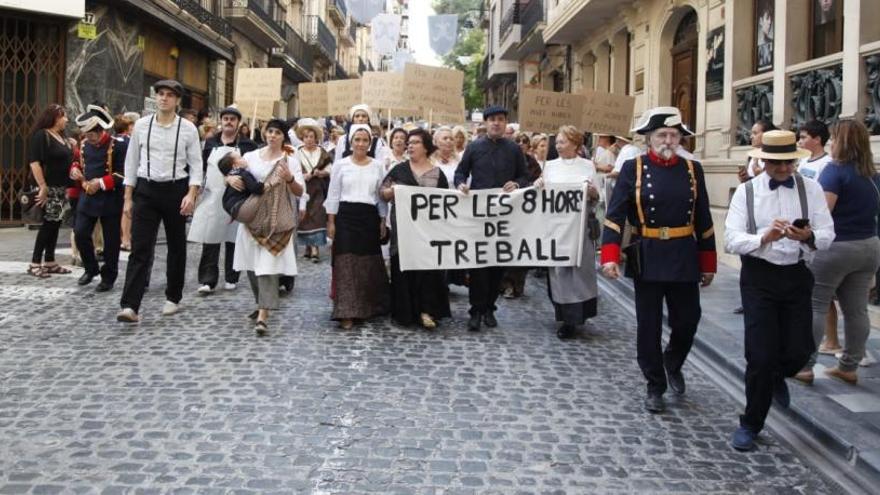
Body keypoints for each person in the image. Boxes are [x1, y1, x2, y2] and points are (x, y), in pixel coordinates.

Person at [601, 107, 717, 413]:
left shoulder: (693, 170)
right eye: (662, 135)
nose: (668, 140)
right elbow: (614, 217)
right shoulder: (633, 168)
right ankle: (654, 384)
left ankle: (673, 361)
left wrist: (708, 263)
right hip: (648, 253)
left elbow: (704, 218)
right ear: (649, 139)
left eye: (674, 135)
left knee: (688, 320)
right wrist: (610, 256)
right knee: (648, 325)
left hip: (683, 254)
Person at [724, 130, 834, 451]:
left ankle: (775, 376)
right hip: (759, 278)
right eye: (777, 164)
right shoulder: (746, 192)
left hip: (797, 275)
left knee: (801, 350)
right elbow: (731, 239)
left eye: (789, 163)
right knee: (759, 354)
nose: (785, 169)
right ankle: (751, 424)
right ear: (764, 161)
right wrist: (763, 238)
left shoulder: (811, 189)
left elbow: (828, 233)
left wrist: (808, 236)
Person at [796, 120, 880, 386]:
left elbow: (824, 212)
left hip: (837, 246)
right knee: (856, 310)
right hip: (868, 246)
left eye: (833, 138)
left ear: (840, 141)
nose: (830, 142)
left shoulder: (834, 171)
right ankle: (848, 366)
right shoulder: (873, 175)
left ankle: (806, 366)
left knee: (816, 304)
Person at [117, 80, 203, 323]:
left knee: (176, 246)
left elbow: (197, 165)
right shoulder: (142, 126)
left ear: (177, 100)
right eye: (160, 94)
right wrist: (127, 199)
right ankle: (130, 305)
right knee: (141, 248)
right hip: (146, 189)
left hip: (176, 190)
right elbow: (131, 163)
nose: (164, 98)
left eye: (169, 95)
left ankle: (173, 296)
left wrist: (191, 194)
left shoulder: (188, 129)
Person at [454, 106, 531, 331]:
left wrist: (516, 184)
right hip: (479, 216)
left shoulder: (514, 149)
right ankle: (475, 311)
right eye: (492, 120)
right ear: (486, 123)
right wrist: (461, 184)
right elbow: (461, 172)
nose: (496, 123)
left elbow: (524, 176)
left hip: (505, 217)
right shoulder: (474, 147)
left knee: (498, 265)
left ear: (506, 122)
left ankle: (489, 308)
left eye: (500, 119)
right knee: (478, 266)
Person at [229, 119, 305, 334]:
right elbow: (235, 173)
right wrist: (229, 179)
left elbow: (300, 192)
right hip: (252, 216)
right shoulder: (250, 157)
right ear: (264, 133)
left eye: (277, 133)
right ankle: (260, 302)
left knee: (268, 267)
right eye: (269, 131)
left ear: (283, 137)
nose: (272, 135)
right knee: (252, 265)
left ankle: (264, 313)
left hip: (276, 217)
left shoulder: (290, 160)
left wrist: (290, 179)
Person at [380, 128, 451, 329]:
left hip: (428, 232)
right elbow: (382, 192)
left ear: (426, 147)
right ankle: (404, 311)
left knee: (427, 270)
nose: (410, 145)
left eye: (416, 142)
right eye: (409, 143)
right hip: (403, 231)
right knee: (403, 267)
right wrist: (390, 191)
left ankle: (426, 310)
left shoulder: (438, 174)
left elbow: (447, 203)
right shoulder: (399, 170)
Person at [534, 126, 600, 338]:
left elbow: (597, 196)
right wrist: (538, 184)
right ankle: (566, 319)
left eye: (562, 142)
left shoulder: (587, 165)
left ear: (574, 143)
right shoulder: (550, 166)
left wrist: (591, 192)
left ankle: (580, 315)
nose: (558, 146)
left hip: (580, 229)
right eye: (557, 142)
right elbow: (542, 195)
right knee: (560, 272)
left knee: (580, 271)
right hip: (557, 228)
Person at [325, 124, 390, 329]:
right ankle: (346, 310)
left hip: (369, 218)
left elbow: (381, 197)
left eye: (365, 140)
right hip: (345, 217)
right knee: (346, 263)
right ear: (351, 142)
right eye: (357, 140)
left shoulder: (378, 166)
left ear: (370, 144)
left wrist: (382, 221)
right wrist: (331, 221)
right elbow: (333, 194)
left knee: (367, 264)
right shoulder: (340, 165)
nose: (361, 144)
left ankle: (366, 307)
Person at [190, 106, 259, 295]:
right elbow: (202, 168)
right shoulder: (209, 143)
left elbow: (254, 170)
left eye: (232, 119)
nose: (229, 121)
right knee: (210, 238)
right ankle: (207, 279)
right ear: (221, 121)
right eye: (226, 118)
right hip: (213, 198)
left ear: (238, 123)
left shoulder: (248, 145)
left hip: (237, 198)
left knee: (233, 238)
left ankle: (232, 276)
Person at [71, 105, 126, 291]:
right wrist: (75, 170)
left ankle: (108, 276)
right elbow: (77, 162)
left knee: (111, 241)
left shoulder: (117, 145)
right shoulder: (84, 144)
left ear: (100, 131)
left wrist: (101, 183)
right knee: (80, 233)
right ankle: (91, 268)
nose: (87, 138)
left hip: (110, 198)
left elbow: (123, 174)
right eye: (85, 134)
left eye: (91, 134)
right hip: (88, 196)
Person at [796, 119, 839, 354]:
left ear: (817, 139)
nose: (800, 141)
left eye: (803, 137)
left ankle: (831, 340)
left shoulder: (827, 164)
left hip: (817, 230)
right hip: (802, 228)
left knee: (824, 294)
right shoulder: (803, 161)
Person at [27, 103, 75, 278]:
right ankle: (34, 262)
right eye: (63, 116)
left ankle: (50, 261)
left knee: (55, 224)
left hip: (61, 188)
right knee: (48, 225)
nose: (66, 120)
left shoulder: (61, 136)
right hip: (49, 188)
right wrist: (42, 187)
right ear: (55, 118)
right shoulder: (42, 135)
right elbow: (34, 162)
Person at [501, 132, 543, 299]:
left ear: (528, 145)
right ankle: (504, 284)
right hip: (506, 212)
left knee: (521, 252)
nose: (520, 144)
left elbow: (534, 184)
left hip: (525, 213)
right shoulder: (506, 159)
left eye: (524, 141)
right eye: (517, 141)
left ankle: (517, 285)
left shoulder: (532, 164)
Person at [293, 118, 333, 262]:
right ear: (302, 138)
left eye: (311, 137)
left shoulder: (322, 152)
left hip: (318, 189)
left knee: (317, 216)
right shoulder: (297, 152)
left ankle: (315, 248)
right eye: (306, 137)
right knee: (304, 217)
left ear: (316, 138)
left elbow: (329, 169)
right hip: (302, 189)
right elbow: (294, 170)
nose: (309, 139)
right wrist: (304, 176)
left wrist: (320, 173)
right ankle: (308, 247)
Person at [218, 151, 265, 219]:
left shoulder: (232, 174)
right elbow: (255, 188)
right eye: (240, 158)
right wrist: (263, 184)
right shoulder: (243, 173)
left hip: (227, 204)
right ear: (235, 166)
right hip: (239, 205)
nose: (244, 158)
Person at [114, 114, 136, 252]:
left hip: (115, 178)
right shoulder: (128, 141)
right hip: (125, 178)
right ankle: (126, 239)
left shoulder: (113, 141)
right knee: (127, 211)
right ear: (128, 127)